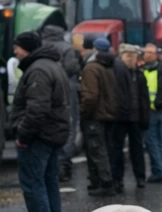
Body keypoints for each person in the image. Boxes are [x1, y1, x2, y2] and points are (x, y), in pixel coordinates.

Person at [9, 30, 70, 212]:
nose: (14, 51)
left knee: (34, 183)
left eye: (17, 46)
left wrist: (23, 134)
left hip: (38, 136)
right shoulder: (52, 65)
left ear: (26, 48)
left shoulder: (38, 70)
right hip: (52, 133)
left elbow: (37, 109)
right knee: (48, 182)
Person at [40, 23, 81, 182]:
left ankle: (49, 166)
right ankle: (64, 165)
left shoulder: (41, 47)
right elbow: (71, 68)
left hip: (44, 89)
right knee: (68, 126)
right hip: (66, 89)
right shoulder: (66, 48)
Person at [107, 43, 150, 192]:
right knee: (116, 150)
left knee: (137, 150)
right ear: (121, 57)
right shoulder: (116, 73)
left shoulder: (139, 75)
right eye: (127, 56)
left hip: (135, 118)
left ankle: (140, 177)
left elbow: (144, 98)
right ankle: (117, 178)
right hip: (119, 118)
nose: (130, 59)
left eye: (133, 56)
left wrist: (145, 118)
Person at [79, 36, 117, 197]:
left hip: (95, 116)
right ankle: (102, 181)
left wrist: (83, 112)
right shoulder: (108, 66)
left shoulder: (91, 68)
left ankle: (105, 183)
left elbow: (91, 96)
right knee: (105, 149)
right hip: (108, 115)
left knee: (97, 150)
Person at [141, 42, 162, 182]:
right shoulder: (145, 68)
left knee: (153, 141)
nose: (149, 55)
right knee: (157, 141)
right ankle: (160, 168)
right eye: (147, 52)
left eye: (151, 53)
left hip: (153, 110)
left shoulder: (160, 69)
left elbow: (161, 89)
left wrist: (156, 104)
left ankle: (159, 170)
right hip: (153, 109)